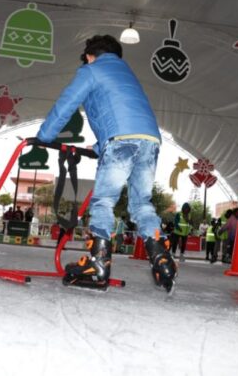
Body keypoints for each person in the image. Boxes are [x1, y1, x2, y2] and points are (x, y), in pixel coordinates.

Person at [34, 34, 176, 292]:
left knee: (103, 201)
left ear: (90, 55)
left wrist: (44, 137)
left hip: (121, 141)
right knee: (141, 204)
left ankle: (98, 264)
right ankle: (162, 258)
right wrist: (100, 147)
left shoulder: (91, 70)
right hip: (149, 140)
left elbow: (66, 105)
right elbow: (123, 112)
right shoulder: (127, 75)